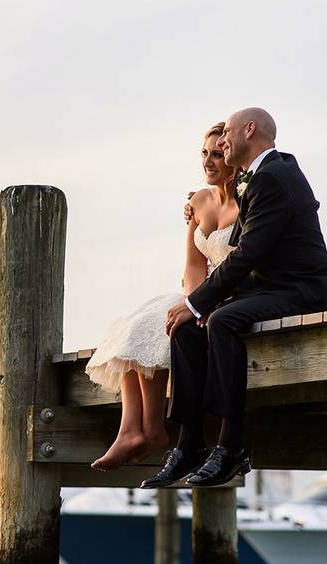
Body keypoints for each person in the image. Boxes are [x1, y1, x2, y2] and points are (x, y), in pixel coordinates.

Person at [141, 107, 327, 489]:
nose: (221, 142)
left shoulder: (274, 176)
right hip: (270, 288)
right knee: (187, 331)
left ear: (249, 130)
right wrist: (199, 304)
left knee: (220, 320)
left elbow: (249, 255)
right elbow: (236, 255)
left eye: (227, 134)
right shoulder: (260, 177)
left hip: (304, 291)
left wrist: (196, 304)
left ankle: (231, 446)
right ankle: (189, 445)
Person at [86, 122, 240, 471]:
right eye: (204, 154)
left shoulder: (248, 202)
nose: (209, 162)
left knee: (158, 322)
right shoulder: (199, 201)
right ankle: (131, 429)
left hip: (232, 293)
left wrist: (203, 303)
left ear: (233, 155)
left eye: (218, 154)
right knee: (133, 323)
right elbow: (193, 265)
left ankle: (153, 429)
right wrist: (192, 300)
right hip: (200, 292)